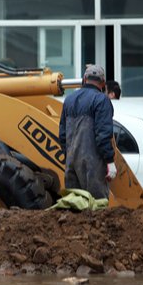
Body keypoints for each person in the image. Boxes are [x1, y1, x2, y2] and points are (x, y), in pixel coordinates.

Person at [59, 64, 115, 199]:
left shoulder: (69, 100)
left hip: (71, 163)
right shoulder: (101, 100)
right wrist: (110, 161)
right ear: (102, 83)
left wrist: (69, 156)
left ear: (84, 79)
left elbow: (62, 135)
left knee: (75, 207)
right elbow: (103, 134)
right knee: (97, 208)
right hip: (93, 166)